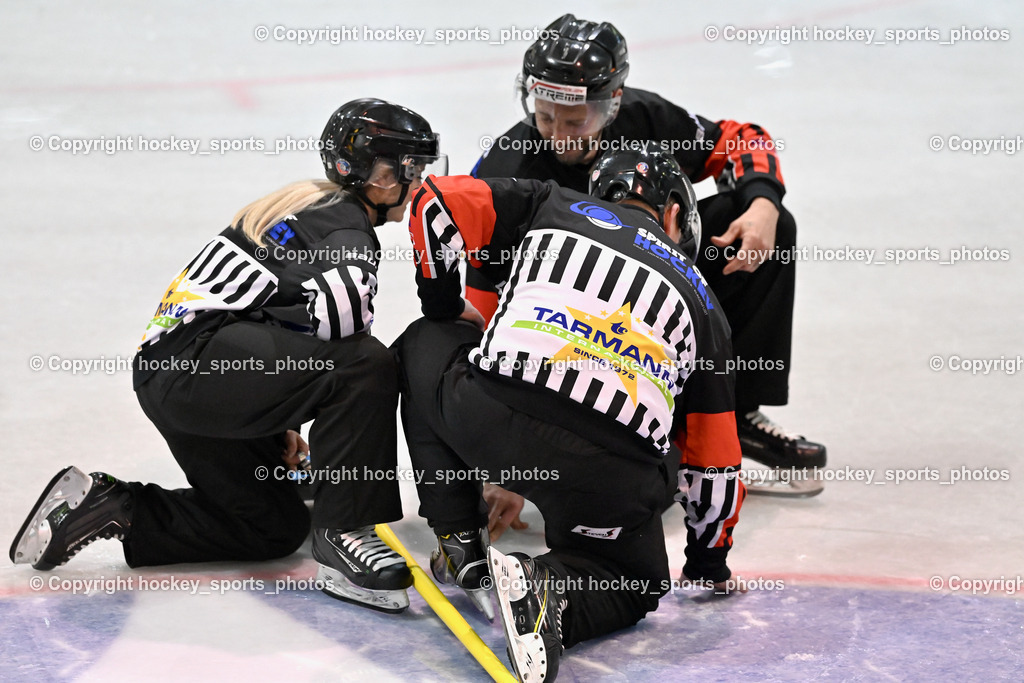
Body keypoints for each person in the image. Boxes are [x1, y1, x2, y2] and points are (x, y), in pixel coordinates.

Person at [9, 98, 447, 614]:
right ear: (373, 172)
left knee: (270, 527)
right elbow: (345, 336)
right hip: (197, 368)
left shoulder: (309, 204)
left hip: (181, 375)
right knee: (368, 363)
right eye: (411, 169)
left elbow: (278, 323)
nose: (420, 183)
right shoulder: (346, 228)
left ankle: (115, 507)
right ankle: (342, 534)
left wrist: (274, 412)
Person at [393, 146, 745, 681]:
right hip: (607, 474)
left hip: (490, 418)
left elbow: (433, 200)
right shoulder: (706, 304)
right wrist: (708, 562)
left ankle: (459, 538)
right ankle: (550, 591)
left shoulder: (549, 202)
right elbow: (715, 460)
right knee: (630, 583)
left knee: (426, 340)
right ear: (676, 214)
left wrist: (442, 305)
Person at [469, 14, 825, 479]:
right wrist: (499, 465)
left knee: (757, 221)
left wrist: (764, 202)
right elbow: (484, 309)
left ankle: (736, 413)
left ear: (612, 103)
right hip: (568, 329)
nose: (558, 134)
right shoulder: (507, 167)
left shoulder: (646, 118)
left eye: (575, 120)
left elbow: (740, 140)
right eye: (544, 116)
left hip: (645, 300)